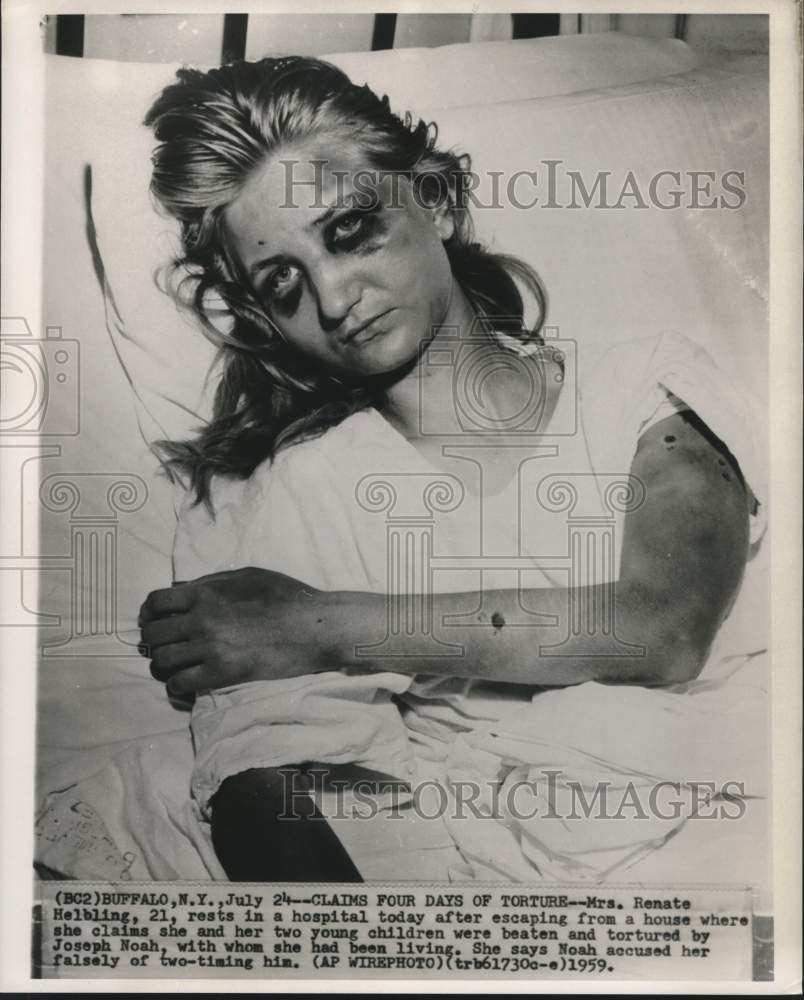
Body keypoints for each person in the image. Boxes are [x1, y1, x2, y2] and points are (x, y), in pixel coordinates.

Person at [138, 56, 761, 882]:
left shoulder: (642, 388)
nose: (333, 299)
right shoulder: (296, 493)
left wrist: (317, 625)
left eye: (348, 230)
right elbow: (264, 789)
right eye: (283, 283)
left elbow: (664, 628)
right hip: (521, 883)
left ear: (431, 198)